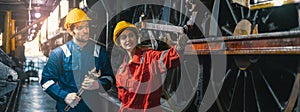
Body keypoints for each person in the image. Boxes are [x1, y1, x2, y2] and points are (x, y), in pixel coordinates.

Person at [40, 8, 114, 112]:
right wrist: (64, 96)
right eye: (80, 28)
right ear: (70, 31)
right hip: (67, 108)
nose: (86, 31)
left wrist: (98, 84)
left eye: (87, 26)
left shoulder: (99, 52)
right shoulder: (59, 54)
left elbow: (109, 77)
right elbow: (46, 81)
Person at [113, 21, 188, 112]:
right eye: (124, 37)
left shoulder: (149, 57)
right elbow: (123, 102)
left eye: (131, 35)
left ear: (136, 38)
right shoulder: (121, 71)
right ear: (120, 43)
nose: (128, 39)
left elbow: (166, 58)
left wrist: (179, 47)